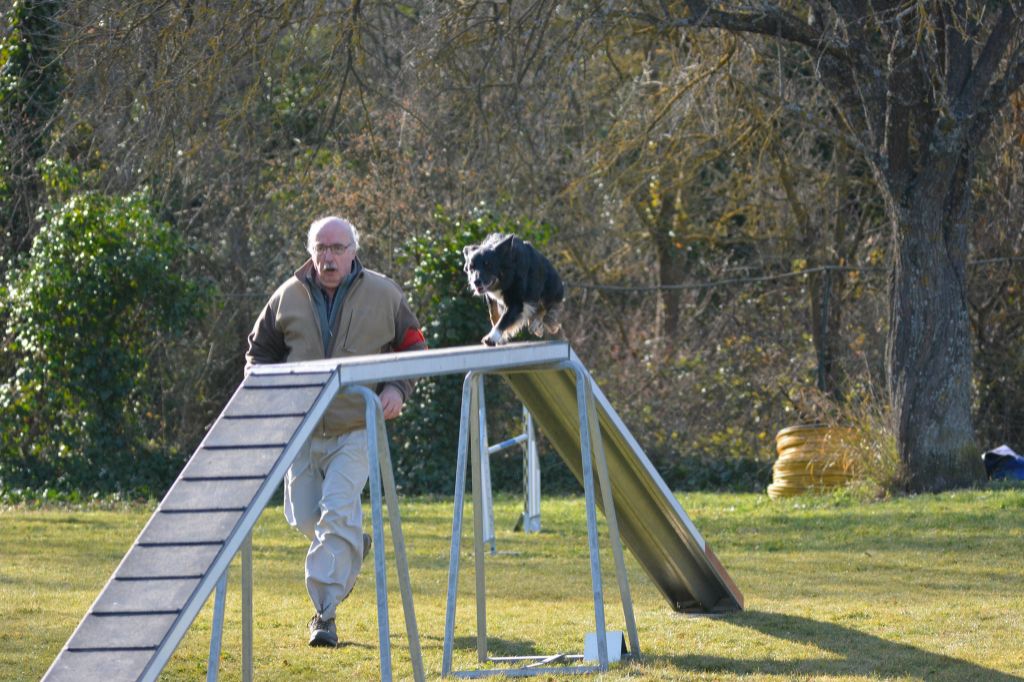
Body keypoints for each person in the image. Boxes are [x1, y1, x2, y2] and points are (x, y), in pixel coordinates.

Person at [245, 216, 426, 647]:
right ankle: (350, 544)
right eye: (321, 248)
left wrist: (398, 389)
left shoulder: (385, 294)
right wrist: (270, 405)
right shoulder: (285, 297)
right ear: (310, 251)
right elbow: (258, 355)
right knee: (306, 516)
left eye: (337, 248)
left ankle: (323, 614)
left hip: (356, 426)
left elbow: (415, 346)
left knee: (338, 510)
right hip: (303, 430)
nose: (328, 257)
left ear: (353, 251)